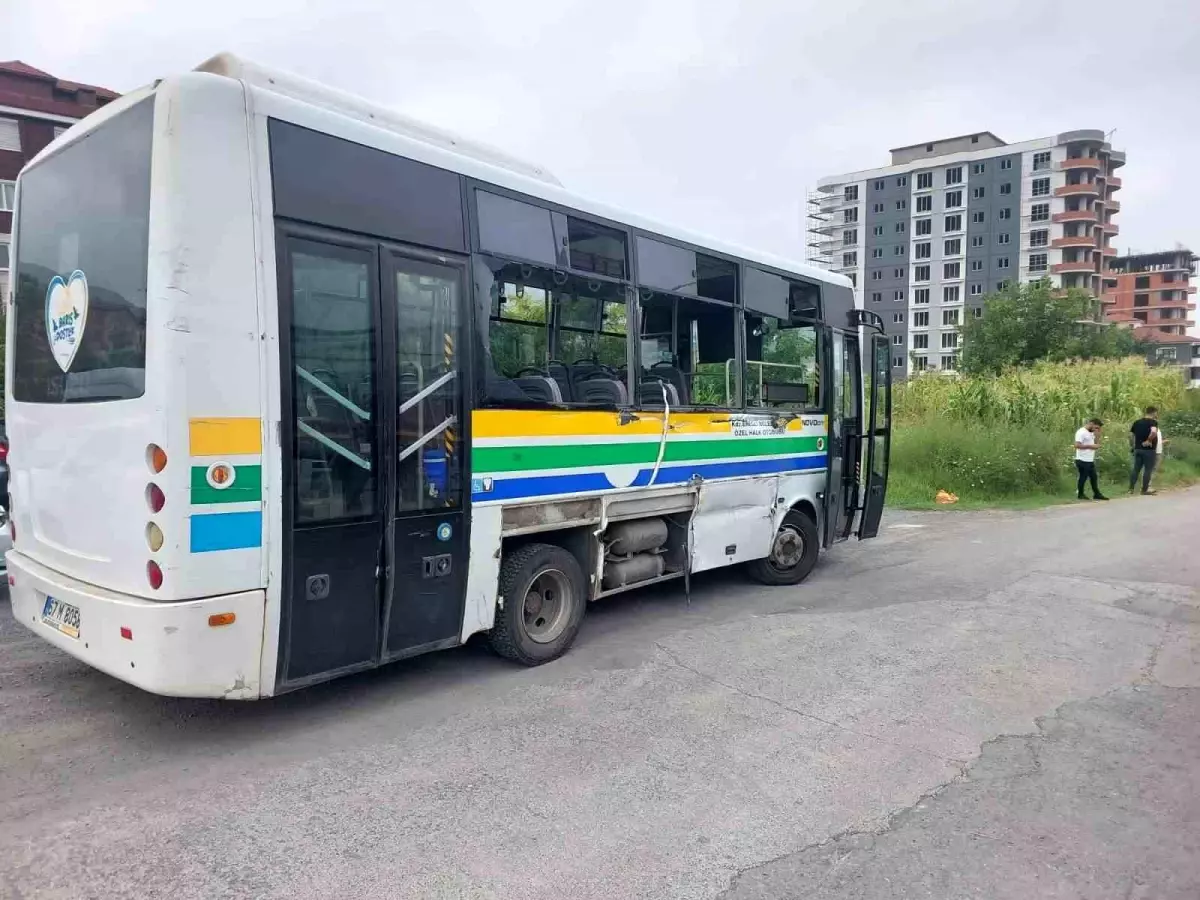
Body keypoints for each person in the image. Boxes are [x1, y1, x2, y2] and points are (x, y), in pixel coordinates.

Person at [1073, 418, 1108, 500]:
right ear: (1091, 423)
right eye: (1096, 427)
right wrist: (1090, 446)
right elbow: (1077, 445)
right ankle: (1080, 494)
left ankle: (1097, 494)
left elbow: (1095, 444)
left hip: (1089, 459)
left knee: (1094, 477)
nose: (1096, 429)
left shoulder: (1091, 432)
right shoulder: (1081, 432)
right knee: (1083, 477)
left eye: (1098, 428)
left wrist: (1097, 436)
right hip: (1082, 459)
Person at [1128, 406, 1160, 495]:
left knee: (1136, 469)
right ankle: (1144, 490)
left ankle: (1131, 489)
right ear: (1153, 412)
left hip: (1138, 449)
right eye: (1156, 413)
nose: (1157, 415)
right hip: (1149, 450)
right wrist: (1149, 440)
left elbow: (1130, 435)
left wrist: (1133, 446)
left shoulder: (1137, 422)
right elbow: (1153, 432)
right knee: (1148, 470)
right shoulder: (1153, 422)